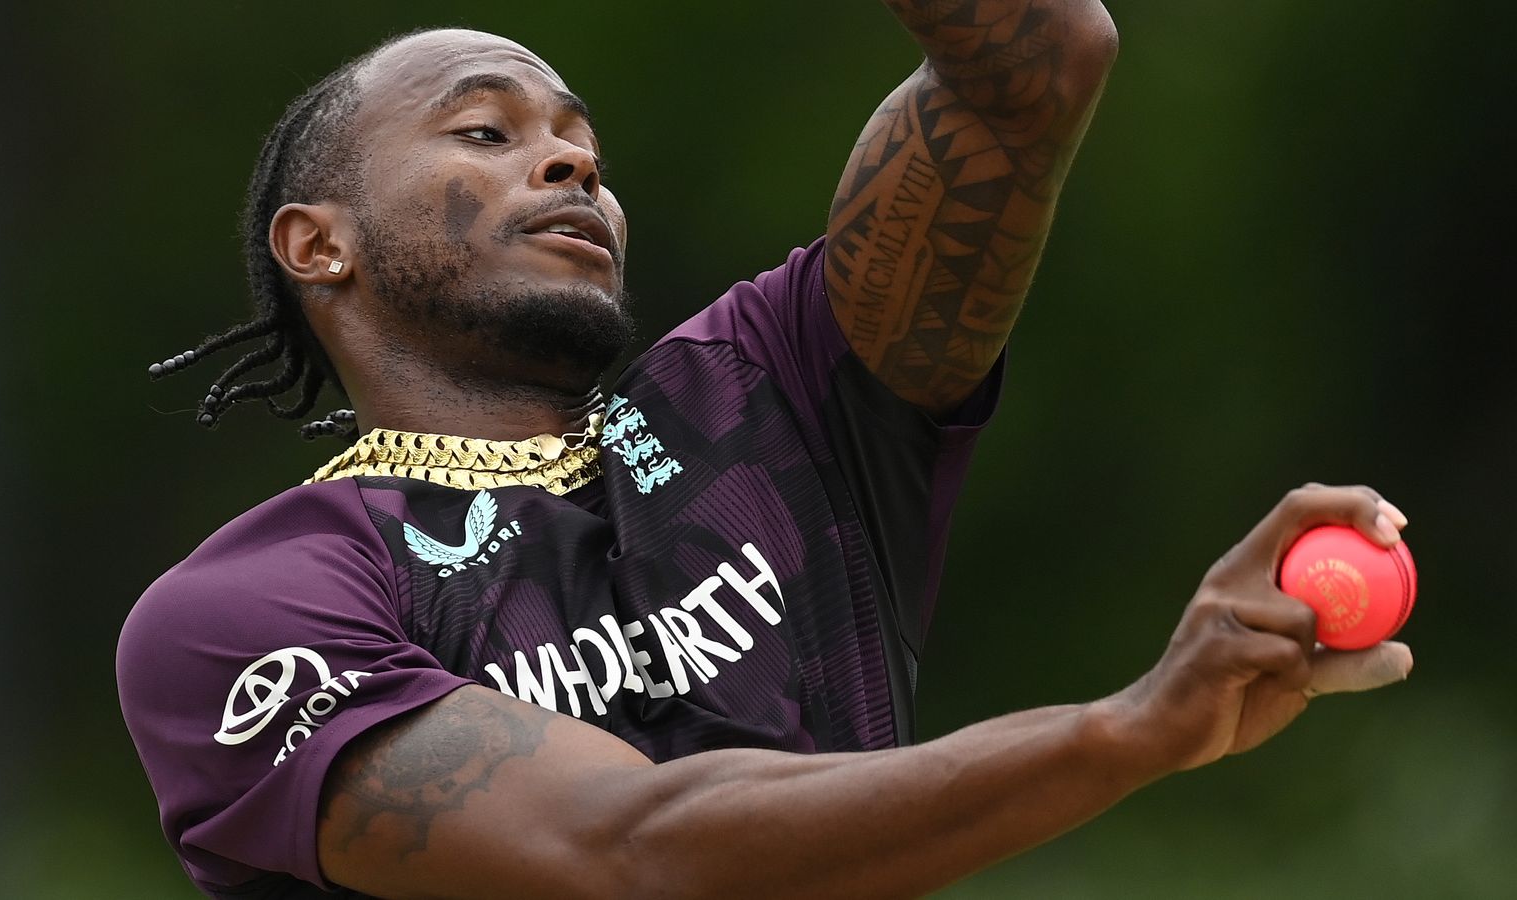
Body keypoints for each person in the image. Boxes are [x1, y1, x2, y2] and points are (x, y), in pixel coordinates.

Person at [119, 5, 1414, 898]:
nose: (570, 156)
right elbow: (634, 854)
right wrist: (1126, 731)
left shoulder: (765, 396)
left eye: (583, 143)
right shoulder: (251, 609)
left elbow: (1035, 62)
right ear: (318, 244)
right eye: (486, 131)